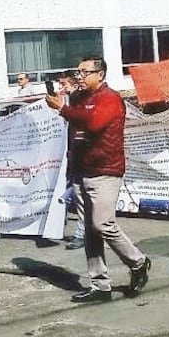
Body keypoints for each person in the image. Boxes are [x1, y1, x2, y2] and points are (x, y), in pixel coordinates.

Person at [46, 56, 151, 303]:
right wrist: (66, 101)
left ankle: (137, 262)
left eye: (85, 72)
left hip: (105, 170)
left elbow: (93, 124)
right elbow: (76, 125)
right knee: (90, 230)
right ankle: (100, 284)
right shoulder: (80, 98)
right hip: (82, 170)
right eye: (78, 72)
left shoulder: (109, 98)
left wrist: (62, 108)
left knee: (103, 224)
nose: (80, 77)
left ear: (100, 74)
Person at [58, 74, 86, 249]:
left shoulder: (80, 100)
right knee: (78, 193)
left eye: (64, 84)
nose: (62, 88)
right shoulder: (70, 100)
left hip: (85, 157)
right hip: (74, 155)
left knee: (84, 197)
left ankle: (85, 234)